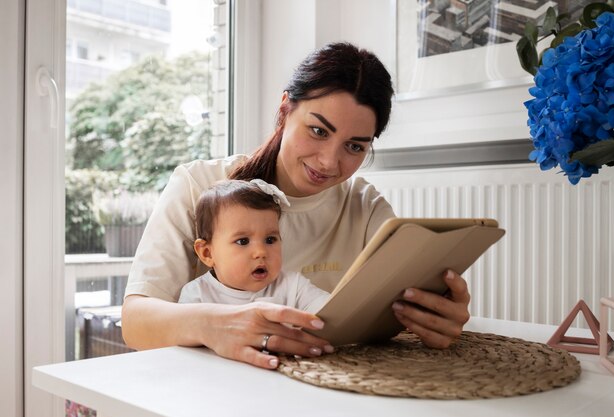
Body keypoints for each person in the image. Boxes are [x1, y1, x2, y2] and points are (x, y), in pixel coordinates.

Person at [122, 42, 471, 370]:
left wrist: (437, 317)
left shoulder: (364, 207)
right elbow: (136, 323)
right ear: (285, 109)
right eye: (319, 131)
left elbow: (388, 319)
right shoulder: (199, 185)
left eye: (354, 147)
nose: (328, 162)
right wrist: (215, 325)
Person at [178, 179, 329, 315]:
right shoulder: (197, 295)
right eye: (243, 241)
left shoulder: (292, 286)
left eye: (270, 240)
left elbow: (331, 312)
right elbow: (184, 340)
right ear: (207, 253)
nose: (261, 252)